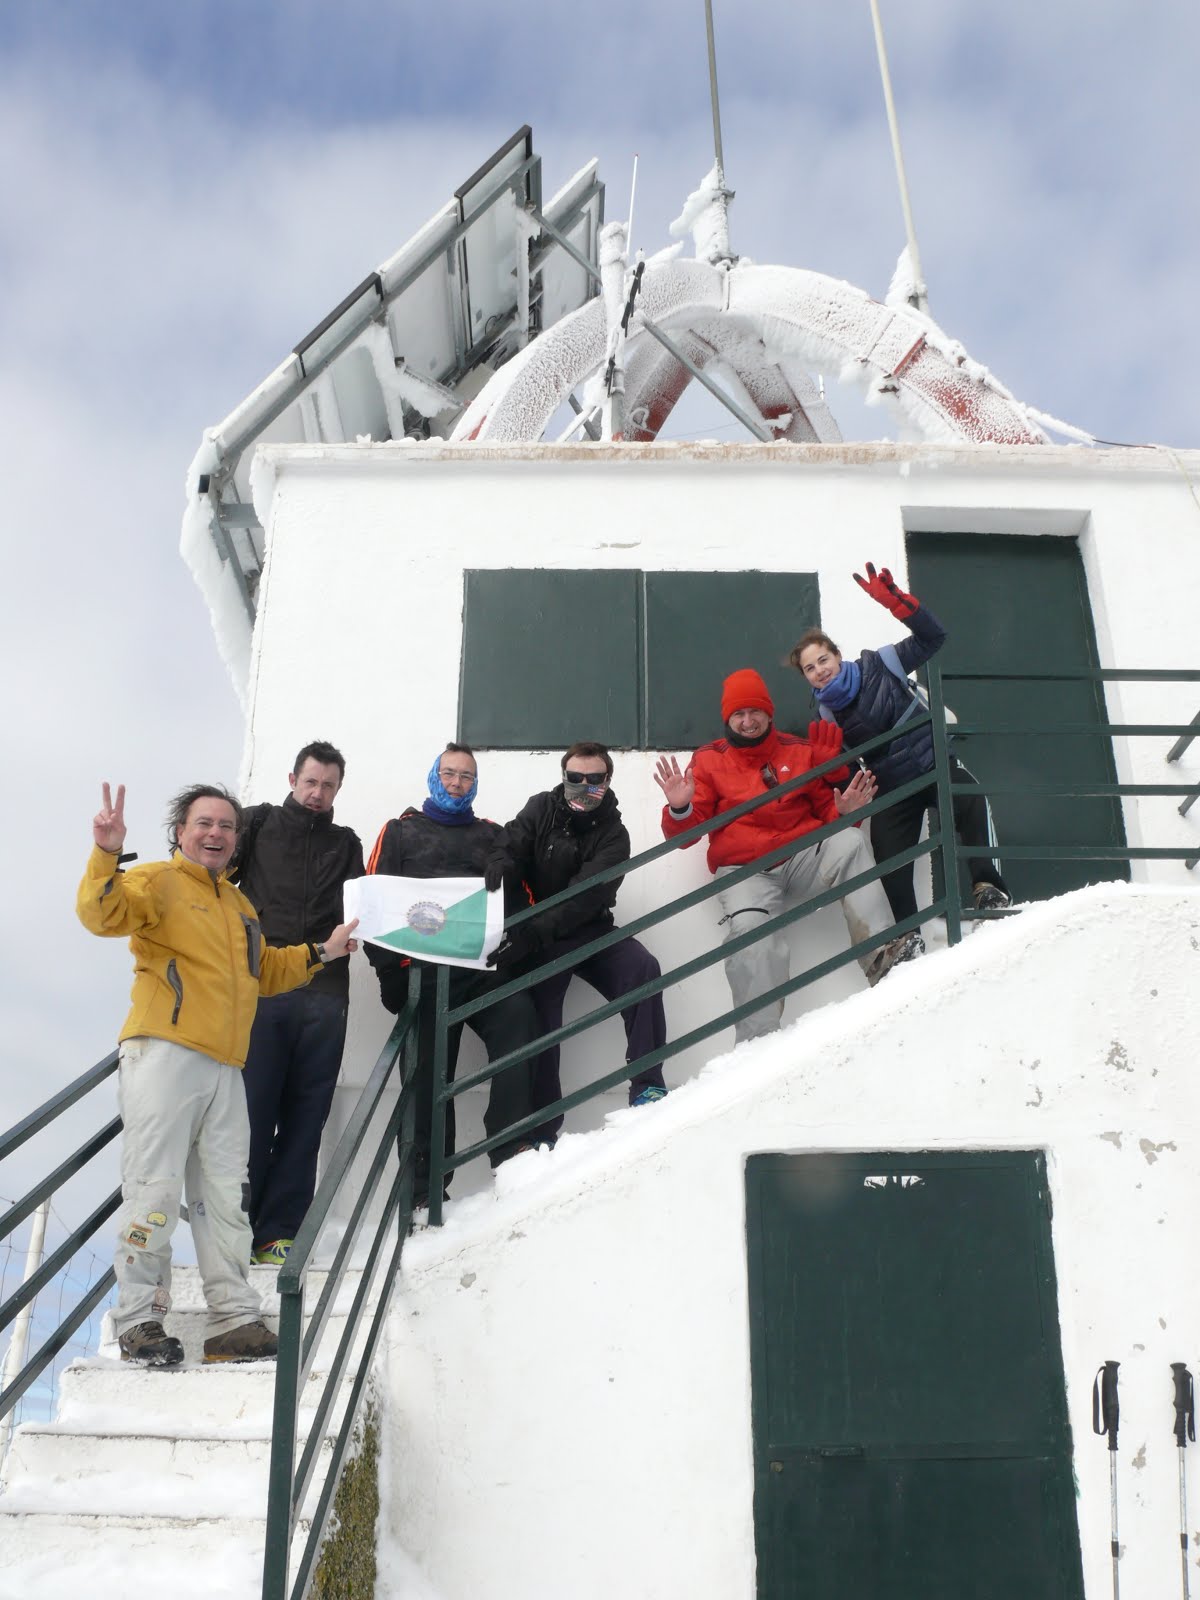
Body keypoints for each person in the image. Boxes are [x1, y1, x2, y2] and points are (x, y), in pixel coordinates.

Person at [77, 782, 359, 1367]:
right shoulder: (155, 880)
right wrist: (106, 852)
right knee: (154, 1186)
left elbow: (268, 971)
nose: (216, 834)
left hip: (227, 1065)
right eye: (204, 823)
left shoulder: (239, 905)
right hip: (165, 1051)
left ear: (236, 840)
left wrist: (325, 951)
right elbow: (101, 914)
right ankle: (138, 1318)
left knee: (226, 1198)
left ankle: (232, 1317)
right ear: (181, 831)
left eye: (227, 826)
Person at [654, 669, 919, 1044]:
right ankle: (756, 1040)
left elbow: (826, 815)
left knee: (850, 842)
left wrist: (844, 813)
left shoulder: (797, 750)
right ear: (727, 718)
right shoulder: (709, 760)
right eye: (738, 714)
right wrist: (680, 809)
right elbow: (684, 838)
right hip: (746, 871)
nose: (748, 721)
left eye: (755, 712)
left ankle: (884, 958)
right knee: (750, 933)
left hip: (800, 856)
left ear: (769, 712)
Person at [791, 561, 1012, 934]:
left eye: (823, 659)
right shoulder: (826, 716)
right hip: (893, 787)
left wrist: (899, 605)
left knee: (972, 800)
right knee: (888, 857)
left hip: (933, 763)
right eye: (810, 669)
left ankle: (988, 889)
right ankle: (908, 936)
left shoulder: (882, 663)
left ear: (837, 655)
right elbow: (845, 777)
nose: (820, 670)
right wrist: (834, 771)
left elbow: (933, 638)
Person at [365, 744, 540, 1207]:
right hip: (421, 975)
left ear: (475, 783)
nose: (456, 782)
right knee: (425, 1075)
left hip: (478, 971)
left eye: (466, 776)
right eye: (448, 773)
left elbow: (522, 901)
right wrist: (391, 975)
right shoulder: (399, 831)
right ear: (432, 776)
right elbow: (373, 902)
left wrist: (514, 948)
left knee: (520, 1017)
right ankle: (423, 1189)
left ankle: (510, 1146)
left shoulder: (493, 836)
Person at [484, 741, 668, 1145]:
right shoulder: (540, 808)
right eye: (575, 778)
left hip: (588, 926)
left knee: (642, 968)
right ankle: (542, 1127)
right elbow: (512, 843)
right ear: (564, 777)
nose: (584, 786)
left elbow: (587, 894)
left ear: (608, 780)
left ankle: (648, 1084)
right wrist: (501, 864)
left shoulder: (615, 835)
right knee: (542, 1012)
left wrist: (532, 932)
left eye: (594, 779)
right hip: (542, 936)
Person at [232, 741, 365, 1267]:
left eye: (328, 785)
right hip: (262, 987)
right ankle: (235, 1229)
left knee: (306, 1117)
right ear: (292, 779)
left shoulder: (346, 842)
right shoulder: (257, 824)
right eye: (310, 782)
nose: (318, 793)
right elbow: (209, 875)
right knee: (250, 1112)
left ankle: (278, 1235)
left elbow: (362, 906)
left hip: (326, 994)